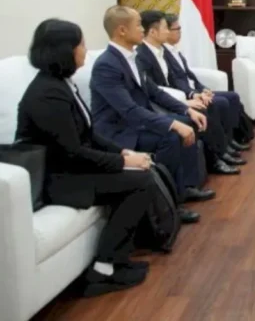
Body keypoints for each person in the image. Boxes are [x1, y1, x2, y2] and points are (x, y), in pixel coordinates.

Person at [16, 19, 153, 296]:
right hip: (58, 179)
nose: (85, 50)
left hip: (71, 168)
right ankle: (104, 268)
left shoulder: (61, 84)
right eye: (81, 44)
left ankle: (117, 259)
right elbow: (72, 152)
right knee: (140, 182)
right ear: (64, 50)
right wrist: (124, 163)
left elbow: (88, 133)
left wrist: (122, 152)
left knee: (142, 174)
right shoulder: (47, 94)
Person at [90, 5, 214, 224]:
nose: (142, 29)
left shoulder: (132, 58)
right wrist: (173, 124)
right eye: (138, 25)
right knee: (171, 136)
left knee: (187, 122)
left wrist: (187, 109)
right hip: (119, 131)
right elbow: (129, 110)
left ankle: (185, 188)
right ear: (122, 30)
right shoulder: (106, 65)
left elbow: (155, 92)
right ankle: (170, 203)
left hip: (138, 123)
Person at [135, 10, 242, 176]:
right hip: (159, 107)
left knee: (208, 104)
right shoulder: (141, 56)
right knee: (201, 111)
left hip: (174, 99)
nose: (168, 32)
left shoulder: (161, 51)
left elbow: (176, 78)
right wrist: (184, 103)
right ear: (153, 32)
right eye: (165, 28)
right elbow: (153, 91)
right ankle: (215, 160)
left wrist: (193, 94)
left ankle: (221, 152)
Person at [164, 13, 252, 150]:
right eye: (177, 29)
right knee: (221, 102)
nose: (180, 32)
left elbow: (189, 75)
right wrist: (194, 93)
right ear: (166, 31)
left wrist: (203, 89)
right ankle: (224, 145)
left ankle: (232, 138)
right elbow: (175, 82)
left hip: (195, 91)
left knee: (233, 96)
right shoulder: (163, 54)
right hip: (186, 95)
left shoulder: (175, 50)